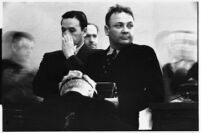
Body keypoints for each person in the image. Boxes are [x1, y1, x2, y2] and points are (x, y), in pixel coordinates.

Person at [81, 4, 165, 130]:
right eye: (119, 25)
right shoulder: (94, 58)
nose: (126, 30)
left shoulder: (143, 53)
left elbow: (157, 94)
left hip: (125, 125)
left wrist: (120, 102)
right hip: (91, 125)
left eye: (130, 25)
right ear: (106, 30)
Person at [33, 11, 97, 102]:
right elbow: (38, 88)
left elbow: (94, 84)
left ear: (84, 31)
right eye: (63, 30)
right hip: (56, 111)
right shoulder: (50, 57)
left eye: (72, 30)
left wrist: (70, 56)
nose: (66, 34)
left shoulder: (98, 55)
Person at [2, 31, 42, 105]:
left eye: (31, 48)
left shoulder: (33, 70)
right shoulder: (3, 67)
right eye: (26, 47)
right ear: (14, 47)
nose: (29, 51)